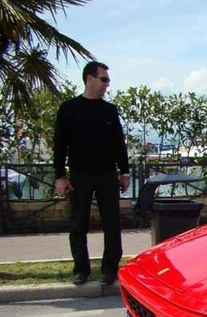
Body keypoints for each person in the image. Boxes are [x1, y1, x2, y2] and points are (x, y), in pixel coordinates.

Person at [53, 61, 130, 286]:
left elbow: (119, 144)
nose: (107, 84)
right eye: (104, 79)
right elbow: (60, 146)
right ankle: (81, 270)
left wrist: (124, 172)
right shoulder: (69, 109)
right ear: (89, 79)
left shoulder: (109, 110)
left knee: (112, 224)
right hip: (79, 175)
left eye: (108, 80)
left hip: (107, 175)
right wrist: (60, 176)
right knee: (78, 224)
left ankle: (109, 270)